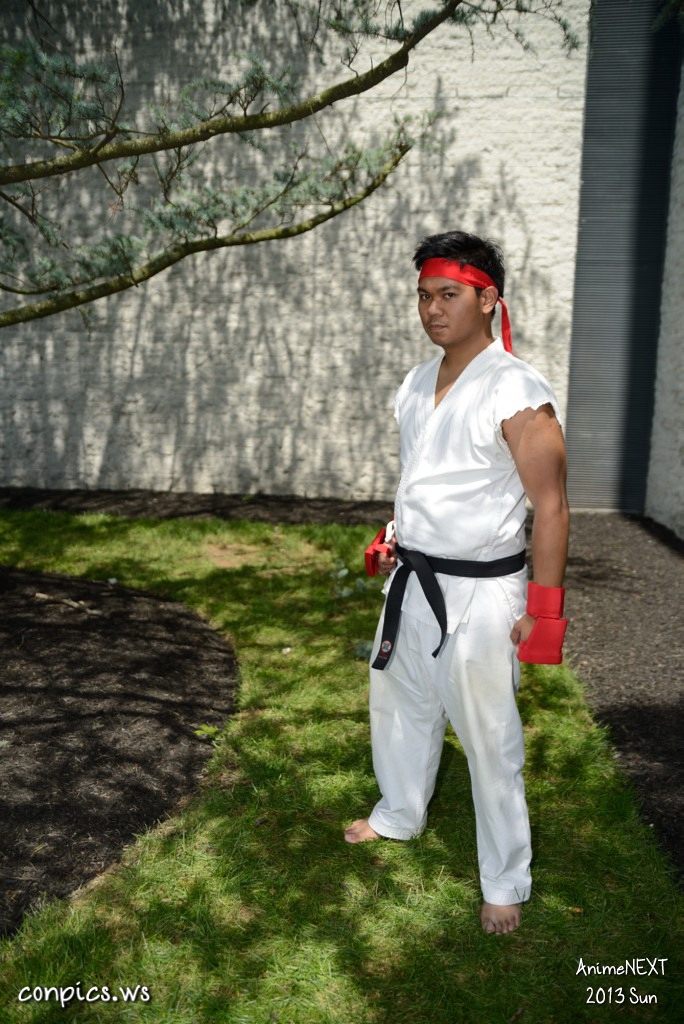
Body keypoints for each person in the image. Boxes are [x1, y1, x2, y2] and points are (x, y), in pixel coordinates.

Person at [345, 230, 569, 935]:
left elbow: (552, 506)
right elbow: (425, 477)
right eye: (423, 296)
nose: (432, 309)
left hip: (481, 595)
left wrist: (545, 613)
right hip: (413, 580)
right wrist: (394, 534)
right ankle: (399, 812)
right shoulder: (416, 383)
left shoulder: (516, 390)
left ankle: (504, 879)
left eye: (448, 294)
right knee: (400, 705)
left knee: (489, 739)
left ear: (488, 298)